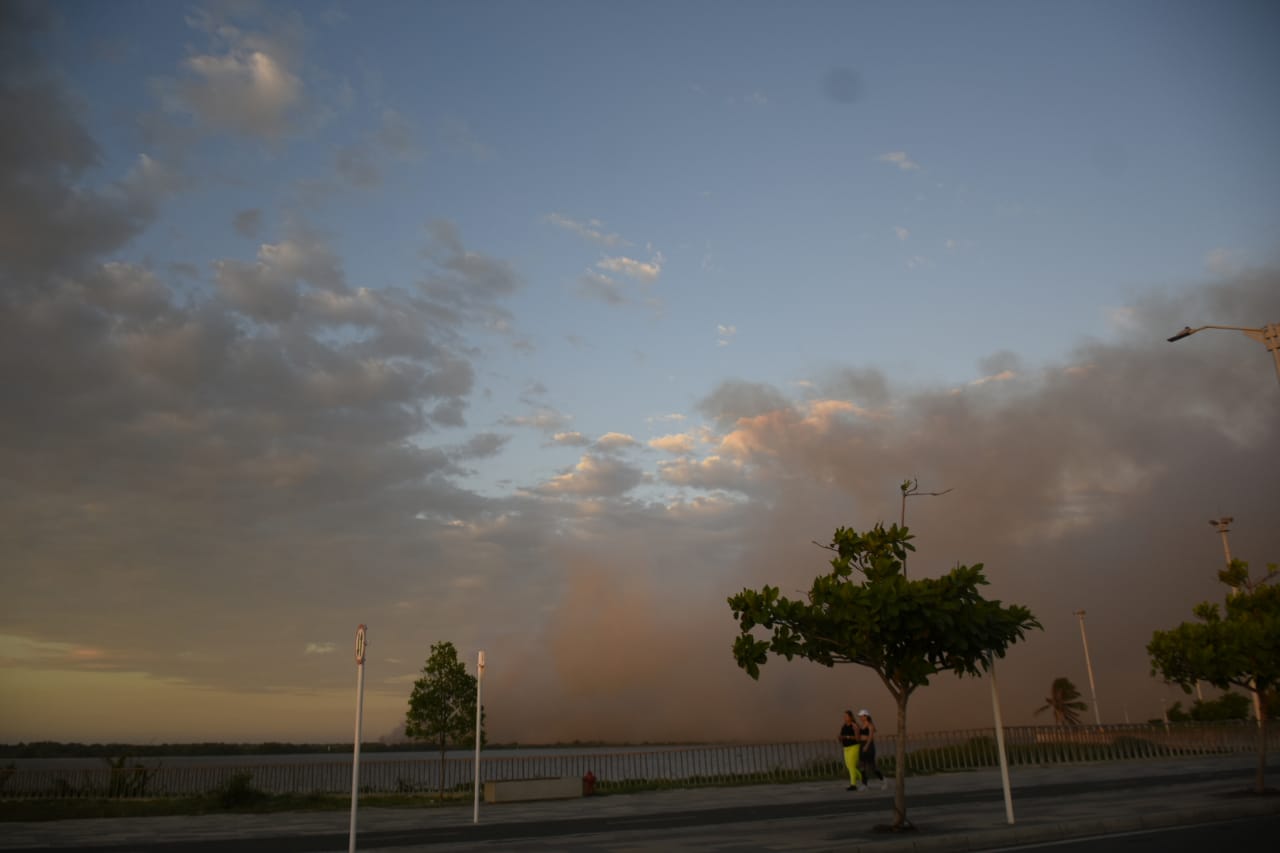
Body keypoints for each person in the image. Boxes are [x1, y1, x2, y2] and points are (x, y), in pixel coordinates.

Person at [857, 709, 886, 790]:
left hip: (868, 746)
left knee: (872, 766)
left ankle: (883, 780)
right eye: (860, 716)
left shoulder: (870, 725)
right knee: (862, 765)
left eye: (862, 716)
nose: (861, 717)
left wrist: (866, 746)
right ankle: (864, 784)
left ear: (866, 716)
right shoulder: (861, 725)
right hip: (862, 744)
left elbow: (870, 737)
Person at [838, 709, 862, 791]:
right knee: (849, 766)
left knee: (851, 765)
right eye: (844, 716)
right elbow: (841, 736)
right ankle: (862, 778)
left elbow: (858, 738)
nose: (844, 717)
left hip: (854, 747)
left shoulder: (854, 725)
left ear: (851, 717)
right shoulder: (844, 726)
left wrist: (847, 737)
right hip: (846, 748)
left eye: (846, 716)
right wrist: (840, 738)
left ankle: (853, 785)